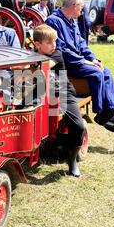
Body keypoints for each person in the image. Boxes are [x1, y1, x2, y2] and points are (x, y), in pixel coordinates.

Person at [45, 0, 114, 133]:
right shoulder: (53, 21)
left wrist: (93, 59)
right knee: (97, 73)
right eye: (81, 7)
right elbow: (59, 50)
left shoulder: (72, 21)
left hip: (77, 63)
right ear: (74, 5)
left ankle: (110, 114)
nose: (81, 10)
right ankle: (102, 114)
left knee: (106, 71)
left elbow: (82, 44)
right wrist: (84, 62)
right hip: (65, 65)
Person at [33, 24, 85, 177]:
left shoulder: (56, 54)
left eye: (54, 41)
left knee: (78, 126)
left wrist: (26, 68)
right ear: (37, 44)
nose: (53, 45)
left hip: (62, 92)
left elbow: (45, 66)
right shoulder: (30, 54)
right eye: (49, 42)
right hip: (39, 93)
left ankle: (72, 160)